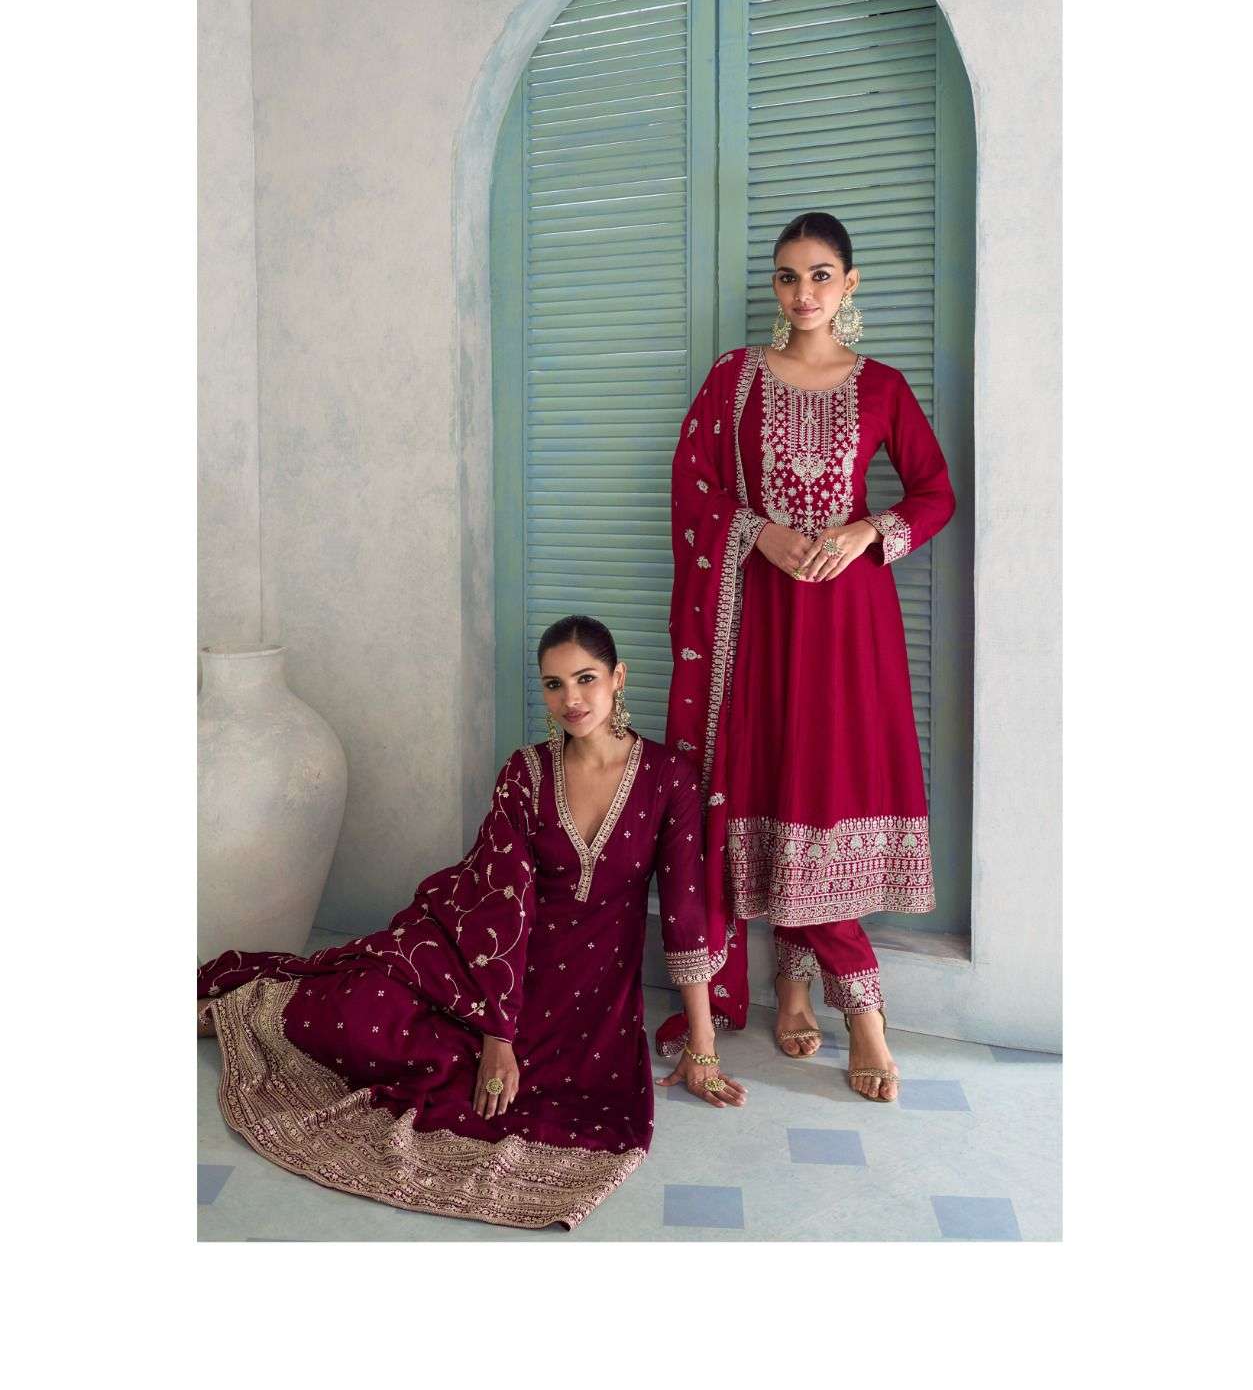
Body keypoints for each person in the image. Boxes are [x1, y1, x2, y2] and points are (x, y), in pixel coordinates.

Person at [198, 614, 745, 1231]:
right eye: (554, 684)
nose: (570, 699)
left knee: (487, 1087)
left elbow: (685, 914)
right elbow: (500, 905)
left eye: (585, 679)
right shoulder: (526, 774)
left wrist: (702, 1048)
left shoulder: (667, 778)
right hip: (483, 965)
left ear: (618, 678)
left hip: (590, 997)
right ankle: (245, 1006)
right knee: (359, 1011)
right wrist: (496, 1036)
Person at [655, 211, 956, 1101]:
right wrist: (758, 532)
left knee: (826, 785)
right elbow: (692, 484)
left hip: (851, 622)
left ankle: (837, 997)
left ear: (848, 283)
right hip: (758, 616)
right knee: (778, 778)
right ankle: (820, 996)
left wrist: (867, 530)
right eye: (787, 276)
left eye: (820, 274)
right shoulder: (734, 380)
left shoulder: (881, 387)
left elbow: (935, 492)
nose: (802, 292)